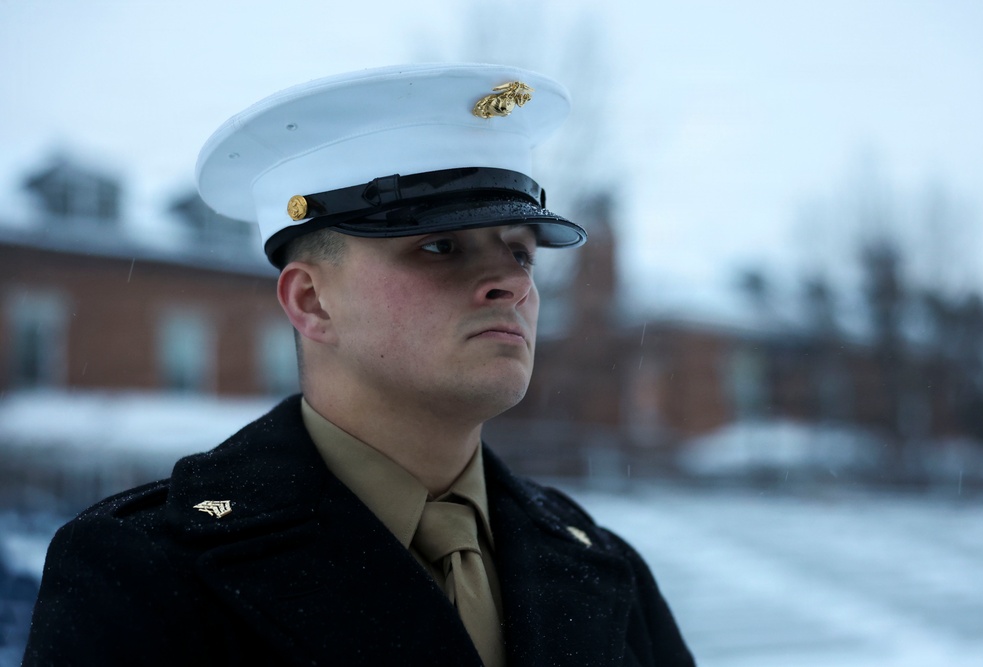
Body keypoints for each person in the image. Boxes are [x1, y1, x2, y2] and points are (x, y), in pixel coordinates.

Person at [24, 64, 694, 666]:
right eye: (441, 247)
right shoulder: (146, 568)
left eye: (520, 252)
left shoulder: (598, 560)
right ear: (311, 301)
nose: (513, 283)